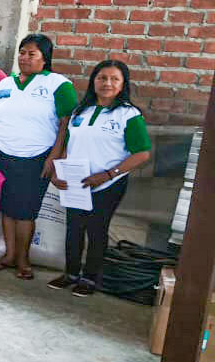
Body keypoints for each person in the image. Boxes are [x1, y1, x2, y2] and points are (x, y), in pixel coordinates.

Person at [0, 33, 76, 280]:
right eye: (22, 52)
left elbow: (67, 123)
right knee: (8, 208)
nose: (24, 58)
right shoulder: (5, 84)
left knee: (26, 211)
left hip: (36, 158)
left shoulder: (58, 84)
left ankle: (23, 259)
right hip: (2, 155)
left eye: (32, 54)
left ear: (45, 58)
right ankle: (9, 255)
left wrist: (55, 156)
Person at [48, 61, 151, 297]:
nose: (107, 83)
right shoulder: (80, 112)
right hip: (76, 182)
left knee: (96, 229)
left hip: (108, 184)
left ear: (123, 84)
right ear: (93, 80)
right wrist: (58, 172)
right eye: (102, 78)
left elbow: (142, 153)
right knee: (74, 228)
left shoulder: (128, 114)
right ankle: (71, 274)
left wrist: (107, 175)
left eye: (114, 79)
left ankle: (90, 278)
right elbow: (68, 147)